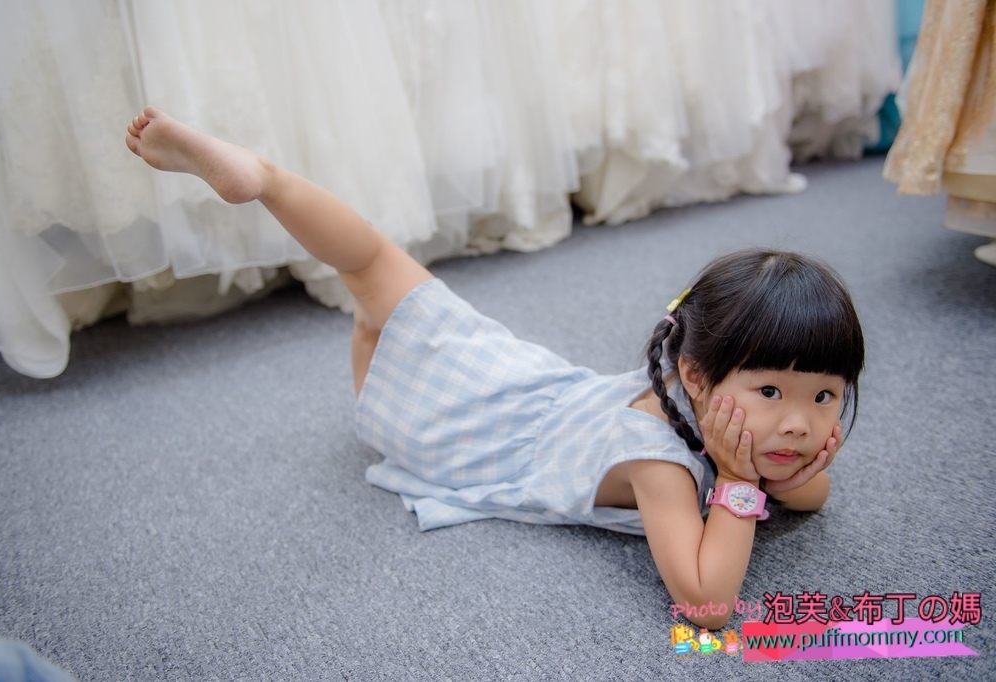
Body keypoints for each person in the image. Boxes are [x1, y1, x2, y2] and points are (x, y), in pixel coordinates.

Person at [125, 107, 865, 629]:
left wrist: (781, 471)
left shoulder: (701, 380)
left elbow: (811, 494)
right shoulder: (658, 463)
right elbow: (707, 605)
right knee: (373, 304)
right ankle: (263, 180)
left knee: (372, 267)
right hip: (467, 430)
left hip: (521, 390)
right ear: (697, 376)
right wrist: (738, 482)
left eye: (825, 396)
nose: (799, 423)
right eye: (772, 390)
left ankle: (268, 181)